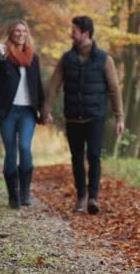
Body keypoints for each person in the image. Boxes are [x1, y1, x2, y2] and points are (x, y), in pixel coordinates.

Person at [41, 15, 124, 215]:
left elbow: (114, 89)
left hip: (95, 117)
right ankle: (81, 196)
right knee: (76, 158)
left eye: (74, 31)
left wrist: (119, 117)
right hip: (73, 117)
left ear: (85, 34)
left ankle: (93, 197)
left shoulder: (104, 59)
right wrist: (46, 111)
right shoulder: (66, 59)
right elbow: (54, 86)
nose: (71, 34)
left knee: (94, 156)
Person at [0, 20, 44, 209]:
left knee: (25, 147)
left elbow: (38, 84)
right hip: (6, 110)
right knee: (11, 150)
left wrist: (44, 110)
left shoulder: (33, 56)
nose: (20, 34)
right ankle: (13, 196)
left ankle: (25, 193)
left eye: (23, 31)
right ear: (10, 33)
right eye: (16, 31)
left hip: (27, 110)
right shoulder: (3, 53)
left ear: (27, 33)